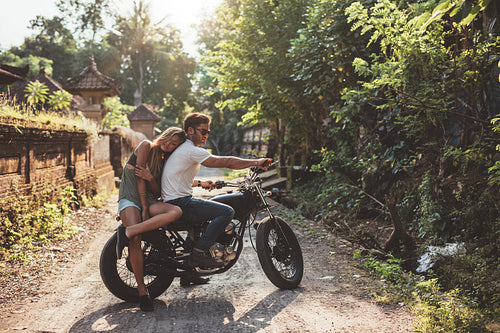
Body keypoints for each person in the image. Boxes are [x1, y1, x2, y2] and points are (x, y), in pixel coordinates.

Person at [160, 112, 272, 269]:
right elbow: (225, 162)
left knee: (204, 215)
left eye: (208, 132)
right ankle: (199, 252)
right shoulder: (191, 149)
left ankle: (189, 273)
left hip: (174, 200)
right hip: (180, 202)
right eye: (203, 131)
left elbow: (177, 178)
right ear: (190, 130)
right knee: (226, 212)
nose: (206, 135)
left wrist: (200, 183)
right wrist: (256, 161)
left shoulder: (185, 148)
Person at [115, 127, 187, 312]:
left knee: (176, 211)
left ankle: (129, 230)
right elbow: (139, 179)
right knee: (136, 240)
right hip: (131, 197)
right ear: (164, 135)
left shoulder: (164, 160)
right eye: (169, 140)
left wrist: (151, 178)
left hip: (150, 199)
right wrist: (145, 208)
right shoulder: (146, 145)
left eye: (173, 145)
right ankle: (142, 292)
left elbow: (156, 191)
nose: (168, 145)